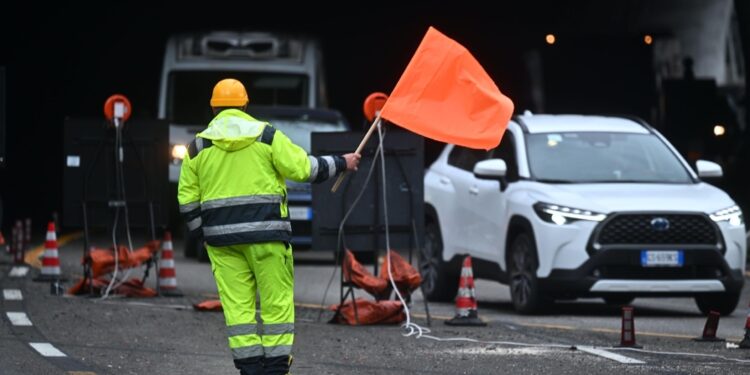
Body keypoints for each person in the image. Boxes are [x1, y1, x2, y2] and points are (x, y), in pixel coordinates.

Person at [177, 78, 360, 375]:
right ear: (246, 105)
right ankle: (275, 370)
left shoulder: (197, 147)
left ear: (213, 108)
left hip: (223, 243)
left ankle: (250, 370)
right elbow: (304, 169)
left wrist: (204, 236)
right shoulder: (266, 136)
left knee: (238, 310)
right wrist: (342, 162)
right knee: (276, 304)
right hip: (267, 238)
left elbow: (187, 202)